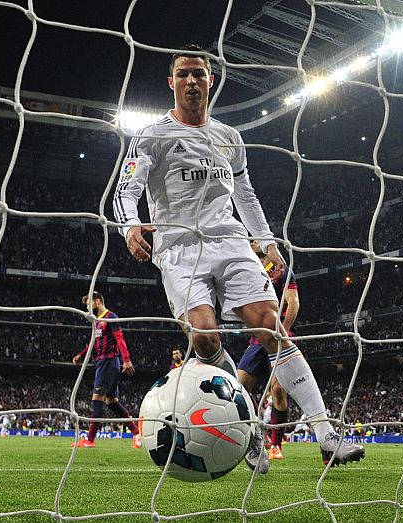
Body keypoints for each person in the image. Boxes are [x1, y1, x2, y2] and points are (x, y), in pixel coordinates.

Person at [112, 44, 365, 473]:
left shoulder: (230, 138)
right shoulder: (153, 136)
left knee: (271, 323)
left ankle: (326, 436)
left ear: (211, 81)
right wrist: (129, 226)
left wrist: (266, 241)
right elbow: (127, 188)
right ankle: (246, 426)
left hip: (230, 242)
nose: (192, 81)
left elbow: (245, 195)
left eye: (200, 74)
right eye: (184, 74)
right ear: (171, 82)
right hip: (179, 248)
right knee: (205, 337)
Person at [237, 240, 300, 460]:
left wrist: (284, 332)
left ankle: (276, 445)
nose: (251, 243)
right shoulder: (251, 269)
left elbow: (293, 303)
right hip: (258, 337)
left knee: (278, 391)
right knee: (240, 386)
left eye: (254, 240)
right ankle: (255, 434)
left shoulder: (282, 269)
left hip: (281, 334)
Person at [71, 291, 141, 449]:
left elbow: (119, 338)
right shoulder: (96, 321)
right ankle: (136, 432)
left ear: (97, 301)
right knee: (112, 402)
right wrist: (81, 355)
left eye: (89, 303)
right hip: (103, 362)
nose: (88, 307)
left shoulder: (111, 317)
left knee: (97, 399)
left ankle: (90, 440)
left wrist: (127, 360)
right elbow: (93, 343)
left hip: (108, 362)